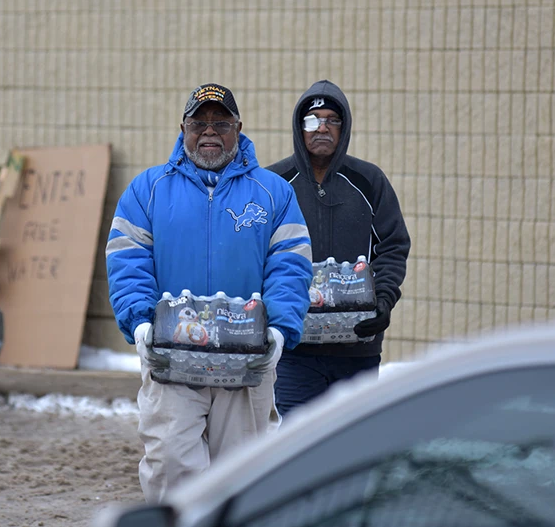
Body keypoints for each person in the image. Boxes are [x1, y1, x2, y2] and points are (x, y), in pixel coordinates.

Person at [105, 83, 313, 502]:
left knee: (240, 475)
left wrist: (279, 328)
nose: (210, 132)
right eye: (199, 123)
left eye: (221, 123)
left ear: (239, 128)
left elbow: (290, 264)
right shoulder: (148, 190)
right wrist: (141, 322)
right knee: (171, 466)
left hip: (247, 360)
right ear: (182, 128)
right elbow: (128, 260)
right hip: (170, 355)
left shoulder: (273, 193)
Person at [267, 79, 411, 417]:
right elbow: (255, 254)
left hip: (356, 348)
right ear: (298, 127)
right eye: (312, 120)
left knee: (350, 447)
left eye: (332, 120)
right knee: (297, 443)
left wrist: (384, 301)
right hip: (295, 350)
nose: (322, 128)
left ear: (343, 128)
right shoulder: (274, 185)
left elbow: (392, 246)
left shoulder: (369, 181)